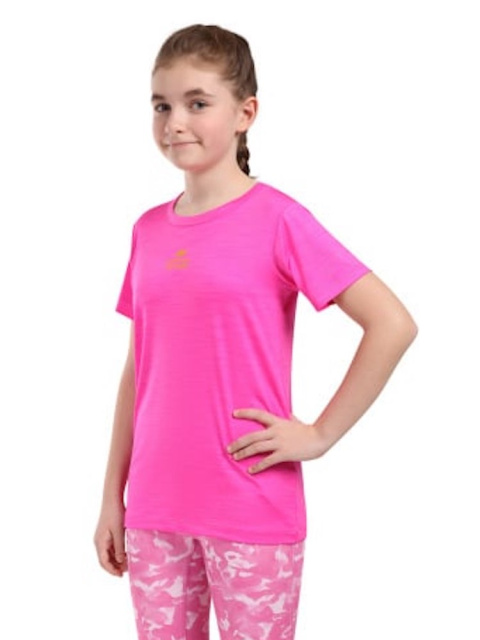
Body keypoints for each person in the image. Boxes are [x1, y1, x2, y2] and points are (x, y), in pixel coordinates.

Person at [93, 23, 418, 640]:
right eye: (161, 105)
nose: (175, 123)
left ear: (246, 113)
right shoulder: (147, 231)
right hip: (155, 511)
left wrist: (320, 434)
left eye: (197, 103)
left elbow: (392, 324)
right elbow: (140, 367)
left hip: (250, 505)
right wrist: (114, 495)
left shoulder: (278, 220)